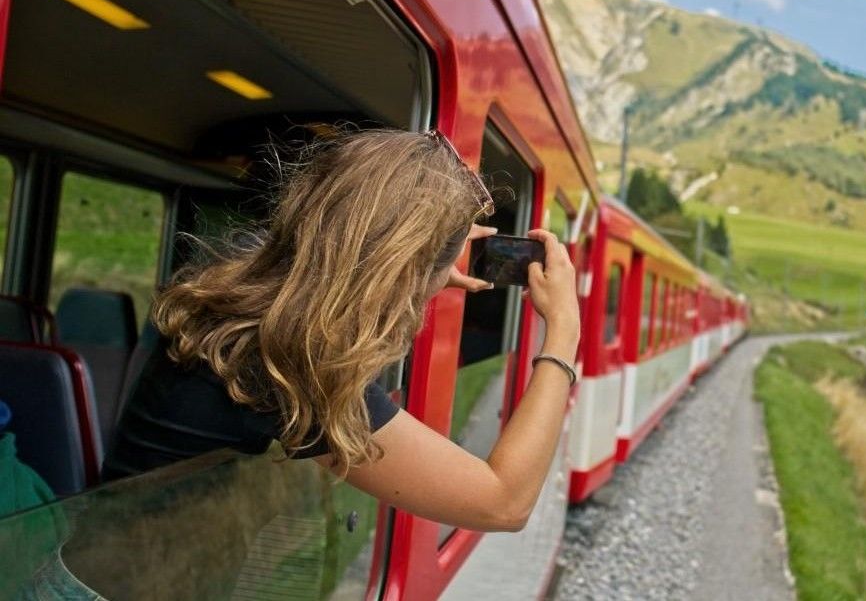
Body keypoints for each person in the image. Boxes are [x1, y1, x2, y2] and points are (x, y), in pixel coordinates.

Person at [102, 129, 580, 533]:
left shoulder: (251, 300)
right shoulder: (285, 357)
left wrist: (417, 267)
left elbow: (331, 256)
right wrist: (562, 331)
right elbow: (503, 503)